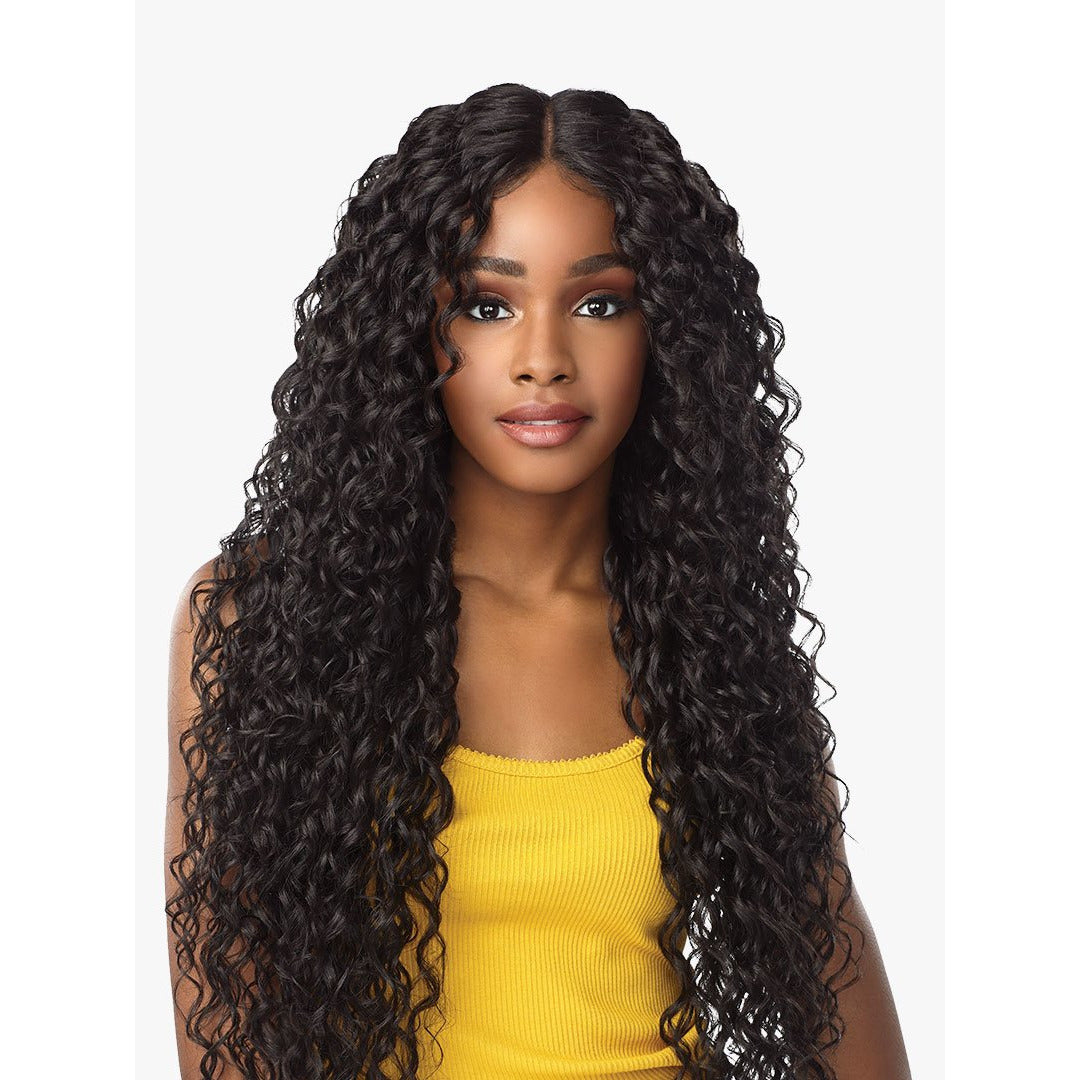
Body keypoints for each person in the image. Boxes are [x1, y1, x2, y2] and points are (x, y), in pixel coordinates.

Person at [164, 83, 911, 1080]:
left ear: (664, 334)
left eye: (599, 303)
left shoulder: (705, 636)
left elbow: (829, 961)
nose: (543, 360)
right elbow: (225, 1011)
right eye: (488, 305)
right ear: (412, 329)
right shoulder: (265, 619)